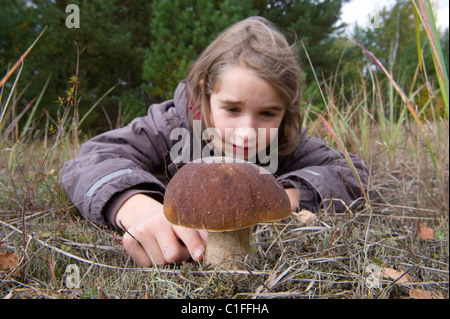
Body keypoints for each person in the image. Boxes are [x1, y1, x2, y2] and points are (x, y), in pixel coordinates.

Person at [60, 17, 369, 267]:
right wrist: (134, 207)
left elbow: (351, 170)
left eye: (267, 113)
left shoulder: (285, 142)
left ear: (286, 111)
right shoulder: (168, 127)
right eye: (232, 109)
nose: (246, 132)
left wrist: (287, 195)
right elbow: (91, 160)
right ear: (205, 91)